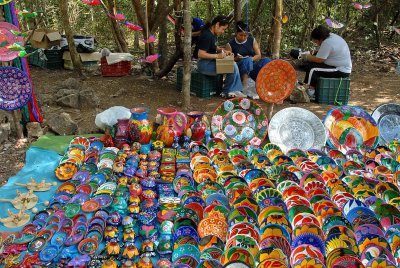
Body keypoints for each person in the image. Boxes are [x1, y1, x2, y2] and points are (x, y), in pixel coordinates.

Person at [194, 15, 246, 98]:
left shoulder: (211, 34)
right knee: (232, 66)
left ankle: (233, 90)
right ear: (217, 24)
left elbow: (212, 47)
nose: (223, 32)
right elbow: (200, 54)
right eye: (223, 29)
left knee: (233, 64)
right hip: (204, 65)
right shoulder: (207, 35)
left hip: (209, 62)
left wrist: (223, 51)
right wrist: (218, 55)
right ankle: (228, 91)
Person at [297, 25, 352, 99]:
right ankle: (314, 89)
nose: (316, 43)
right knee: (311, 65)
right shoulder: (331, 36)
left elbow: (319, 60)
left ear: (321, 38)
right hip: (340, 67)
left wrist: (307, 56)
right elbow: (328, 52)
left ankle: (311, 93)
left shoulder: (327, 43)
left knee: (312, 69)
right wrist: (315, 52)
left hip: (341, 70)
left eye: (316, 41)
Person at [227, 21, 271, 99]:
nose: (243, 37)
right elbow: (228, 61)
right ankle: (245, 86)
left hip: (252, 67)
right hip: (239, 69)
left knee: (267, 60)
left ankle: (266, 85)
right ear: (236, 33)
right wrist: (236, 58)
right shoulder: (230, 44)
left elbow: (258, 55)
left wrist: (250, 59)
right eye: (241, 35)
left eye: (245, 35)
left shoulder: (252, 40)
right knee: (246, 61)